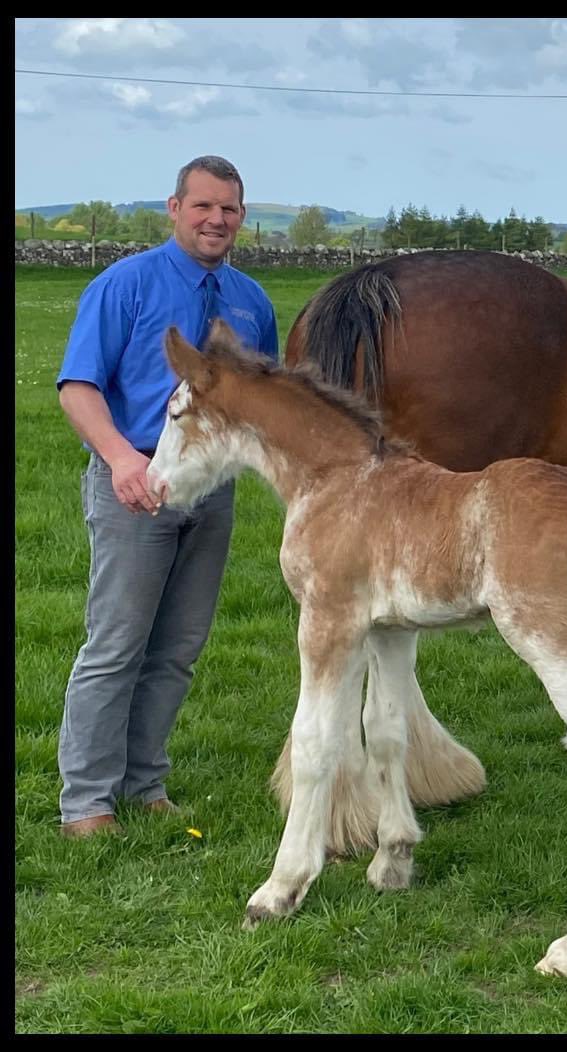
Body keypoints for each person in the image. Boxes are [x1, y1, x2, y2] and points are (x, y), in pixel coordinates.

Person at [56, 155, 278, 837]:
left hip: (209, 494)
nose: (217, 220)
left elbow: (266, 400)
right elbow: (78, 387)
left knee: (178, 646)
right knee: (118, 643)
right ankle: (87, 803)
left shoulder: (251, 301)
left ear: (243, 217)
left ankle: (145, 782)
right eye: (204, 206)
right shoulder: (125, 285)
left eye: (230, 209)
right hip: (139, 484)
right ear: (174, 208)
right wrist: (122, 459)